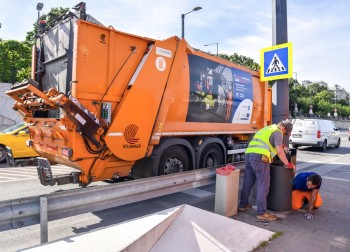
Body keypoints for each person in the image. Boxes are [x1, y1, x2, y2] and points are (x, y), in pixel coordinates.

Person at [238, 120, 295, 221]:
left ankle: (243, 204)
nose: (284, 135)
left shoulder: (268, 128)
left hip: (249, 154)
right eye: (285, 133)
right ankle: (262, 212)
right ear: (284, 128)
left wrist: (283, 146)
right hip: (260, 157)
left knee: (248, 181)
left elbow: (268, 141)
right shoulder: (278, 132)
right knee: (263, 184)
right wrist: (288, 163)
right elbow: (279, 151)